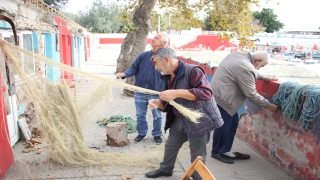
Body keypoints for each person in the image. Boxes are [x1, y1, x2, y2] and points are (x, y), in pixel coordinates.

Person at [145, 48, 224, 179]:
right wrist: (159, 103)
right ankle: (166, 169)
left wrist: (175, 92)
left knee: (197, 153)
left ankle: (197, 176)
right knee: (170, 145)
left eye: (156, 63)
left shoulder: (193, 71)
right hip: (179, 118)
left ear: (166, 59)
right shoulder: (167, 76)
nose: (155, 67)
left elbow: (206, 93)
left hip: (199, 120)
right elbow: (170, 101)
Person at [210, 51, 278, 164]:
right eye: (262, 65)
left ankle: (225, 150)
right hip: (223, 100)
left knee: (232, 124)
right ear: (258, 61)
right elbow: (251, 93)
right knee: (223, 127)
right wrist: (268, 106)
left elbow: (247, 72)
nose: (260, 68)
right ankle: (216, 152)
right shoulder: (246, 67)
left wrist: (263, 77)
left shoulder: (237, 55)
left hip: (218, 95)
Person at [116, 33, 169, 145]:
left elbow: (170, 74)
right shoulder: (143, 55)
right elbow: (133, 68)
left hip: (156, 92)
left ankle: (157, 134)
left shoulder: (166, 58)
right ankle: (141, 133)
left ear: (164, 43)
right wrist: (124, 74)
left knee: (157, 116)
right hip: (140, 91)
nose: (153, 39)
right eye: (153, 37)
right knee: (140, 115)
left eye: (156, 38)